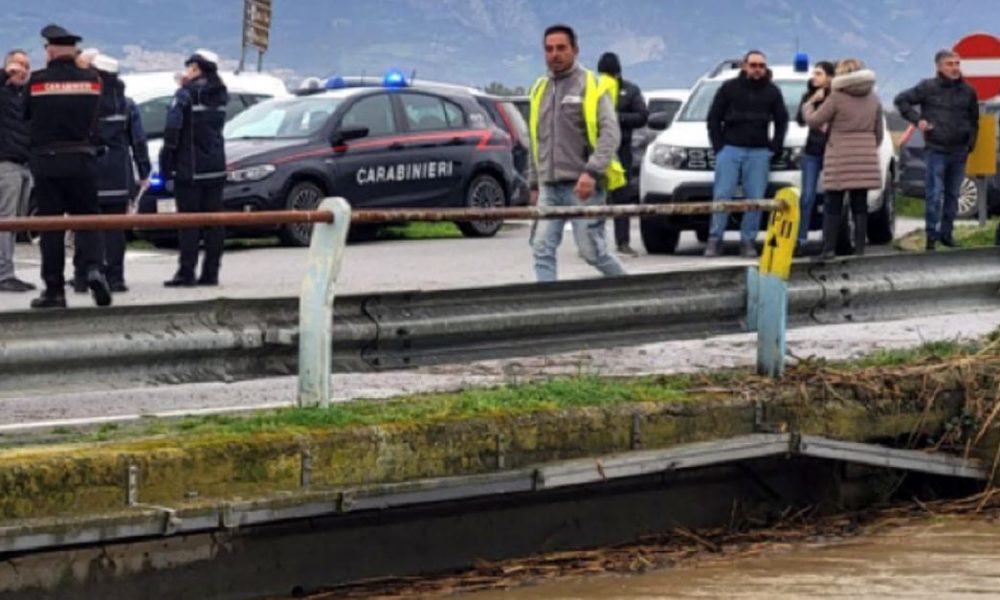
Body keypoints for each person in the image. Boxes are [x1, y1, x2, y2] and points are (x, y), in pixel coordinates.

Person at [528, 24, 626, 282]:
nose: (555, 54)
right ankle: (548, 310)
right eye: (549, 49)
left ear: (575, 49)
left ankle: (633, 291)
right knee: (541, 247)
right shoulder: (539, 89)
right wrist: (533, 182)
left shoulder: (591, 85)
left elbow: (610, 134)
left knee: (593, 252)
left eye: (561, 48)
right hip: (549, 186)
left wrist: (592, 172)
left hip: (583, 186)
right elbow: (535, 139)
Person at [26, 24, 109, 309]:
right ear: (74, 52)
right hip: (82, 159)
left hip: (47, 161)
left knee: (52, 227)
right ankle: (95, 269)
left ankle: (54, 290)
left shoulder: (36, 82)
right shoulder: (92, 81)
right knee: (88, 220)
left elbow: (25, 114)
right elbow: (96, 118)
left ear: (49, 51)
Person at [71, 54, 151, 293]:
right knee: (115, 228)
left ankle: (83, 275)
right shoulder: (126, 104)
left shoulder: (85, 103)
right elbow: (138, 141)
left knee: (86, 225)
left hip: (89, 172)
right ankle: (116, 277)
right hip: (118, 173)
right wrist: (144, 170)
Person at [705, 50, 789, 258]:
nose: (757, 69)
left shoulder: (772, 92)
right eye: (753, 65)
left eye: (761, 65)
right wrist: (719, 147)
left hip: (759, 152)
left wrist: (775, 147)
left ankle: (748, 241)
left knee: (756, 198)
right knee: (722, 195)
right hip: (730, 149)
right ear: (745, 66)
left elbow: (782, 120)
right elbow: (713, 118)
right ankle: (715, 239)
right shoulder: (728, 88)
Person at [894, 49, 980, 251]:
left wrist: (970, 144)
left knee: (953, 195)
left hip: (959, 150)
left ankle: (947, 235)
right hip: (936, 149)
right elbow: (901, 101)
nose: (955, 68)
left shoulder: (968, 91)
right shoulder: (927, 87)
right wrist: (918, 121)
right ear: (939, 66)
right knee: (934, 194)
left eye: (957, 63)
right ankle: (931, 236)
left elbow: (974, 120)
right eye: (950, 64)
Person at [159, 49, 228, 287]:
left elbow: (172, 130)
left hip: (190, 168)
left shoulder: (187, 94)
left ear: (197, 68)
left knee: (189, 222)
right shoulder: (220, 93)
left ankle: (186, 272)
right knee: (213, 222)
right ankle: (211, 272)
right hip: (216, 167)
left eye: (189, 66)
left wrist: (166, 163)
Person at [803, 59, 883, 260]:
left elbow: (814, 120)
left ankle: (829, 249)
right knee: (860, 203)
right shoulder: (874, 99)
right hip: (864, 157)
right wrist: (867, 147)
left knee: (833, 203)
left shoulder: (836, 98)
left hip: (839, 156)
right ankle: (860, 251)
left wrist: (810, 103)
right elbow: (879, 133)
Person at [597, 51, 648, 257]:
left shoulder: (630, 90)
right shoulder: (595, 90)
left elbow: (642, 116)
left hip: (621, 150)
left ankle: (623, 241)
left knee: (622, 197)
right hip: (598, 149)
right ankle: (594, 242)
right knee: (596, 197)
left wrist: (616, 118)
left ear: (618, 74)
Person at [0, 49, 36, 293]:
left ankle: (8, 269)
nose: (22, 70)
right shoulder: (2, 94)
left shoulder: (26, 97)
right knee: (6, 220)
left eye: (26, 66)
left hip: (25, 165)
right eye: (18, 65)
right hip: (6, 164)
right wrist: (4, 75)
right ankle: (4, 273)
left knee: (16, 223)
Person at [795, 61, 835, 256]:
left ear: (829, 77)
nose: (814, 77)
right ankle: (800, 238)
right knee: (807, 196)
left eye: (818, 74)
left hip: (831, 151)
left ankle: (827, 239)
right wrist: (811, 101)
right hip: (812, 151)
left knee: (830, 197)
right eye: (814, 73)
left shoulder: (836, 98)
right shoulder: (809, 95)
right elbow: (801, 120)